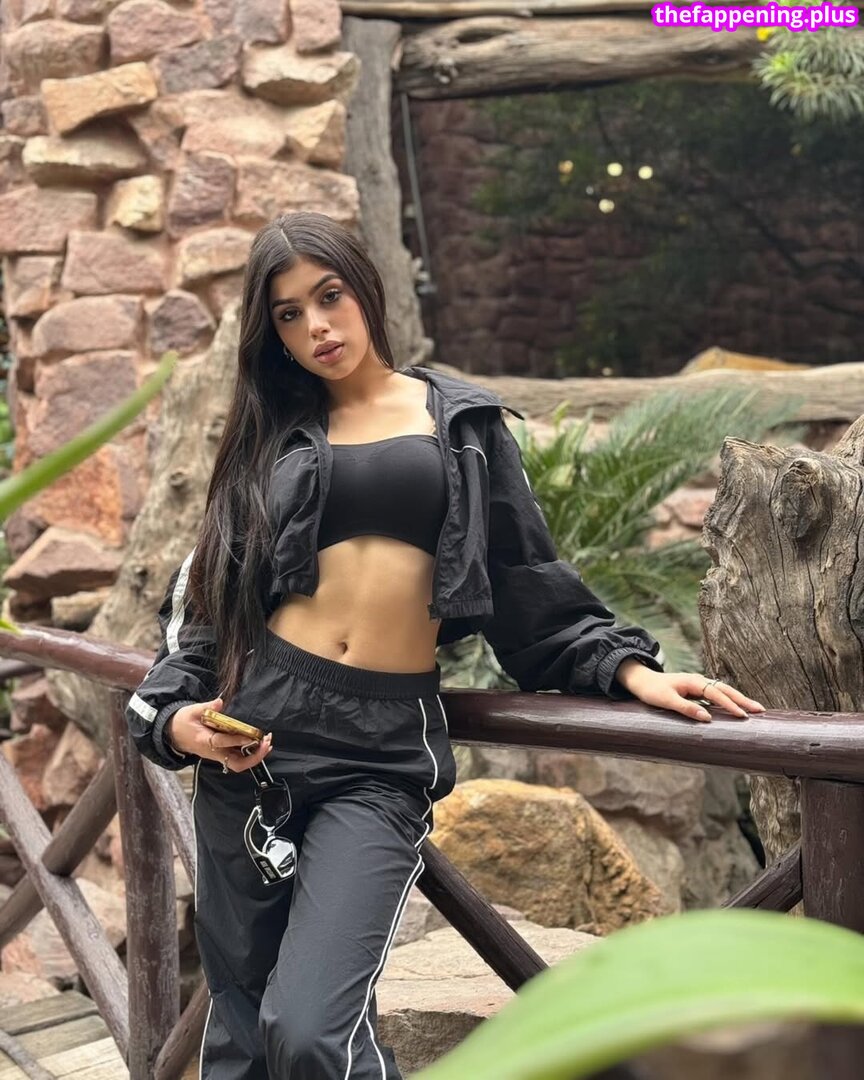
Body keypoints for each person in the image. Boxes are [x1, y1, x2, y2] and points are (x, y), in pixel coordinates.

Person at [125, 210, 765, 1080]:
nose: (317, 327)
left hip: (378, 753)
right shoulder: (268, 434)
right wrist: (174, 720)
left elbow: (527, 576)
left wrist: (627, 670)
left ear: (366, 289)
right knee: (241, 1026)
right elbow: (207, 602)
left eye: (330, 297)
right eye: (289, 314)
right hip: (258, 737)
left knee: (309, 1028)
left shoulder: (459, 421)